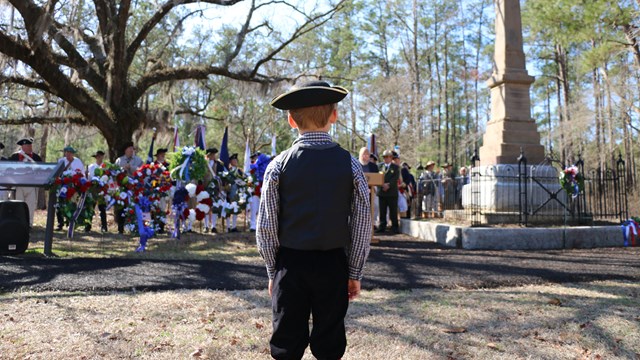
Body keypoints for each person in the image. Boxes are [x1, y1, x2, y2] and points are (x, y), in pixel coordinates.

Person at [257, 80, 371, 360]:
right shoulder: (351, 165)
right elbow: (361, 223)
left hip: (291, 264)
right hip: (332, 263)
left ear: (290, 120)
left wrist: (273, 270)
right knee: (330, 338)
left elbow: (267, 226)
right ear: (335, 115)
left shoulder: (278, 165)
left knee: (286, 338)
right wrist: (354, 271)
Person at [7, 137, 43, 226]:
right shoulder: (14, 156)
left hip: (31, 185)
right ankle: (19, 223)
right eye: (26, 145)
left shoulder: (36, 157)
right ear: (22, 147)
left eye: (30, 145)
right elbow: (9, 170)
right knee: (19, 204)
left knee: (30, 205)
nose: (29, 147)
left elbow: (40, 170)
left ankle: (29, 223)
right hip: (18, 185)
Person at [114, 141, 142, 233]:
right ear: (125, 150)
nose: (131, 150)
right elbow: (114, 172)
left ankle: (134, 227)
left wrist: (132, 167)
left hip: (134, 187)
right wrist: (123, 169)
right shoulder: (119, 160)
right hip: (122, 187)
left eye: (132, 148)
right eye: (129, 148)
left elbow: (142, 170)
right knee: (121, 207)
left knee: (134, 206)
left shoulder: (138, 160)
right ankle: (120, 228)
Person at [56, 146, 85, 231]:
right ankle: (60, 223)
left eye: (70, 152)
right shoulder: (61, 161)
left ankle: (70, 222)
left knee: (72, 203)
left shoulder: (77, 161)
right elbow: (57, 172)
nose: (68, 154)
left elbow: (81, 173)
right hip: (62, 185)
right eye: (67, 152)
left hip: (73, 185)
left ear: (73, 154)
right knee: (60, 203)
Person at [376, 149, 400, 234]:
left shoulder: (396, 167)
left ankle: (394, 227)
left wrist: (388, 185)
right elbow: (376, 178)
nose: (386, 159)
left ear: (391, 157)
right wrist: (382, 185)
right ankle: (382, 227)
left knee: (393, 211)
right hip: (382, 192)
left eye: (388, 157)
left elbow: (395, 178)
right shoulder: (379, 166)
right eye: (384, 157)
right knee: (382, 211)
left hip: (392, 192)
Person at [86, 150, 108, 232]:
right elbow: (89, 177)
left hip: (102, 189)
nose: (99, 158)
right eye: (97, 156)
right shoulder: (91, 167)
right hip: (93, 188)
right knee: (91, 207)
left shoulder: (105, 166)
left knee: (102, 208)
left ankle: (104, 226)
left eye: (100, 156)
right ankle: (88, 226)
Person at [204, 147, 225, 233]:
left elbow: (222, 176)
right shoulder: (204, 164)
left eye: (213, 154)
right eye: (211, 154)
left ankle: (213, 226)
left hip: (216, 188)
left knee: (215, 206)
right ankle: (206, 226)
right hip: (205, 187)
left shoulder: (219, 164)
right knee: (206, 207)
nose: (212, 156)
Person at [225, 153, 244, 233]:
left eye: (236, 160)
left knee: (236, 209)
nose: (235, 161)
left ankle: (234, 226)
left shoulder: (239, 171)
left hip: (236, 192)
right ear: (230, 161)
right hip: (228, 192)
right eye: (233, 160)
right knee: (228, 209)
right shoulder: (227, 170)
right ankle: (228, 227)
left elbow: (243, 180)